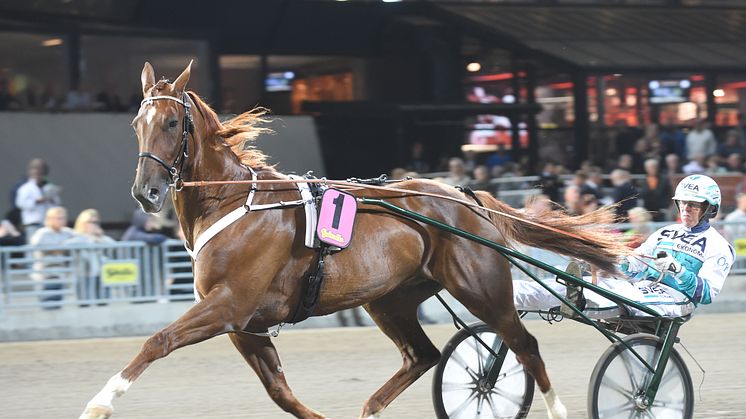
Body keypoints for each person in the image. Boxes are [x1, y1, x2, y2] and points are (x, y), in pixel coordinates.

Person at [513, 174, 734, 319]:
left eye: (694, 205)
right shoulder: (665, 233)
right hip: (641, 288)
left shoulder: (719, 246)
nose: (686, 209)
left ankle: (578, 296)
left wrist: (678, 270)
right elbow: (634, 266)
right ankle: (512, 293)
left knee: (612, 295)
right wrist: (602, 259)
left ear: (710, 209)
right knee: (579, 283)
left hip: (674, 300)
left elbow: (706, 294)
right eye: (683, 203)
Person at [30, 206, 76, 309]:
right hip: (45, 275)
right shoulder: (43, 233)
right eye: (58, 218)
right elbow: (37, 244)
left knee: (58, 305)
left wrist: (63, 245)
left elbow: (81, 240)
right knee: (47, 305)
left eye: (63, 218)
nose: (61, 220)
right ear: (49, 219)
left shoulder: (67, 232)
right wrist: (56, 247)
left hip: (60, 274)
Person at [66, 209, 115, 305]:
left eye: (96, 222)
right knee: (84, 303)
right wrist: (89, 238)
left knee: (103, 302)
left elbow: (113, 245)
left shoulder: (101, 237)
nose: (94, 224)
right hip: (83, 274)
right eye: (90, 222)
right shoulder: (76, 236)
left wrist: (100, 237)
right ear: (82, 223)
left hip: (100, 274)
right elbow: (66, 245)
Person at [15, 158, 61, 239]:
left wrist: (51, 199)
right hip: (33, 224)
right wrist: (37, 201)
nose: (38, 172)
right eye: (35, 169)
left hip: (48, 225)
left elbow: (57, 204)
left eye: (41, 170)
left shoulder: (49, 186)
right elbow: (20, 204)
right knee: (34, 247)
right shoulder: (25, 188)